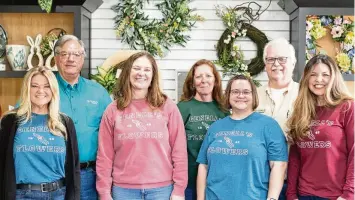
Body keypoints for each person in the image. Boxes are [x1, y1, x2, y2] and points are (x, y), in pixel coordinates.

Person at [96, 51, 188, 200]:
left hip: (162, 190)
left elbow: (179, 151)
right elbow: (105, 156)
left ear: (153, 76)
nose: (141, 73)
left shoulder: (167, 107)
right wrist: (104, 192)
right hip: (123, 190)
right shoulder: (113, 110)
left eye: (147, 70)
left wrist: (179, 190)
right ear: (128, 72)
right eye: (136, 68)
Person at [196, 75, 288, 200]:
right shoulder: (215, 127)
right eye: (235, 92)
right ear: (228, 95)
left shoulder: (269, 125)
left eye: (246, 92)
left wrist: (272, 198)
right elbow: (203, 166)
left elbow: (278, 165)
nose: (240, 96)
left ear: (253, 96)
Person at [0, 66, 80, 200]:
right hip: (23, 195)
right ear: (27, 89)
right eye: (35, 86)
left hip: (58, 194)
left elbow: (74, 167)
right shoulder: (10, 121)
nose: (41, 91)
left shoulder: (65, 123)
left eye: (47, 86)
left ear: (53, 90)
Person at [286, 54, 354, 200]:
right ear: (306, 79)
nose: (318, 80)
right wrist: (291, 195)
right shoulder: (302, 110)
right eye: (313, 75)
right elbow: (295, 157)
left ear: (333, 78)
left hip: (336, 195)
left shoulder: (347, 107)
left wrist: (349, 195)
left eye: (325, 75)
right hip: (304, 193)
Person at [54, 35, 112, 199]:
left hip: (88, 176)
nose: (70, 59)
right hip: (53, 175)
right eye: (64, 54)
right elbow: (20, 122)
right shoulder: (43, 89)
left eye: (76, 54)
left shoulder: (98, 92)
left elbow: (113, 132)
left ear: (83, 58)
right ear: (56, 58)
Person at [177, 59, 229, 200]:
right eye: (198, 77)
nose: (203, 80)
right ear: (192, 82)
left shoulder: (224, 109)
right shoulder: (182, 108)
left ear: (215, 80)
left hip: (217, 179)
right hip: (188, 180)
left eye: (208, 76)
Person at [257, 38, 299, 199]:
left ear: (293, 62)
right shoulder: (253, 96)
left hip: (295, 183)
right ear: (265, 64)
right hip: (260, 181)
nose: (276, 64)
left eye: (282, 59)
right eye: (270, 59)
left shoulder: (305, 95)